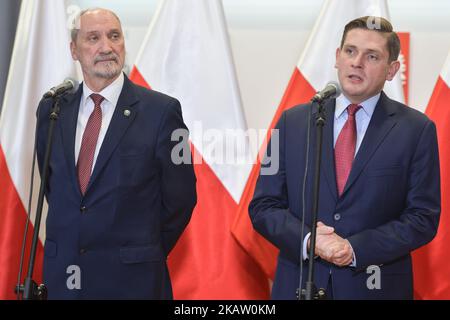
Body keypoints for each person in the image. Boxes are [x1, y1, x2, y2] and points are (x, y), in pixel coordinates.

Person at [249, 16, 440, 300]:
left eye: (372, 56)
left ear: (391, 70)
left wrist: (354, 249)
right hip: (299, 285)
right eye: (350, 51)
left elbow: (422, 218)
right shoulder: (294, 122)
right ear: (338, 58)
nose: (357, 62)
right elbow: (264, 206)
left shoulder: (416, 129)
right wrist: (311, 241)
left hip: (375, 289)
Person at [36, 8, 197, 299]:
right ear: (74, 50)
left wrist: (141, 249)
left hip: (133, 281)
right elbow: (55, 188)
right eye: (93, 38)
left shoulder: (162, 112)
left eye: (114, 36)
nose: (106, 47)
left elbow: (181, 199)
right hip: (65, 281)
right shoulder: (53, 109)